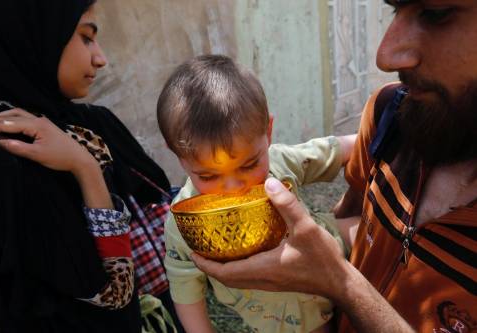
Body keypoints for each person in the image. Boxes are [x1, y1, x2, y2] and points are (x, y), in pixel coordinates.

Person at [190, 1, 477, 333]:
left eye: (435, 13)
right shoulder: (391, 114)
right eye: (395, 10)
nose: (384, 56)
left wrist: (340, 282)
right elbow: (356, 213)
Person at [0, 0, 181, 332]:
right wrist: (85, 168)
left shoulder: (91, 125)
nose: (100, 58)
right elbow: (111, 300)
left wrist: (83, 163)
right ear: (29, 36)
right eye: (86, 37)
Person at [157, 54, 357, 333]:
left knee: (369, 231)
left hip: (340, 254)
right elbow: (185, 290)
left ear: (268, 131)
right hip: (284, 323)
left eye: (249, 164)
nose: (234, 187)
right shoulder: (182, 226)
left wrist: (377, 136)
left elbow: (336, 150)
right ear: (177, 154)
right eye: (208, 176)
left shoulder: (279, 162)